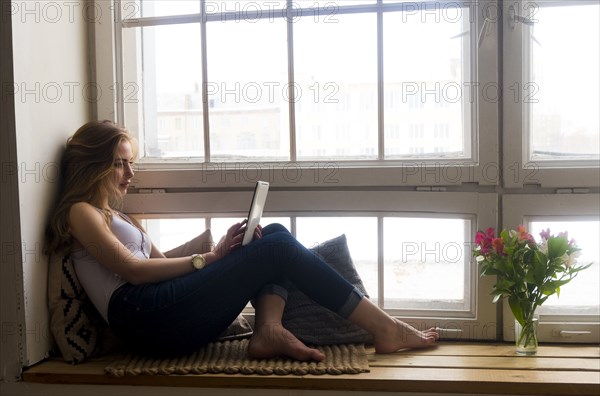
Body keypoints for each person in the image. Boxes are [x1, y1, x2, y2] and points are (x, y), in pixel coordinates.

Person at [45, 120, 439, 361]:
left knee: (272, 239)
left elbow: (161, 266)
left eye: (131, 162)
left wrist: (225, 254)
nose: (130, 172)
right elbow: (132, 271)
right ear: (93, 164)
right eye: (119, 162)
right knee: (277, 247)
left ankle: (268, 330)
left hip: (158, 310)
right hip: (143, 318)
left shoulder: (118, 216)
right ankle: (385, 328)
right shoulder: (81, 212)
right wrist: (210, 260)